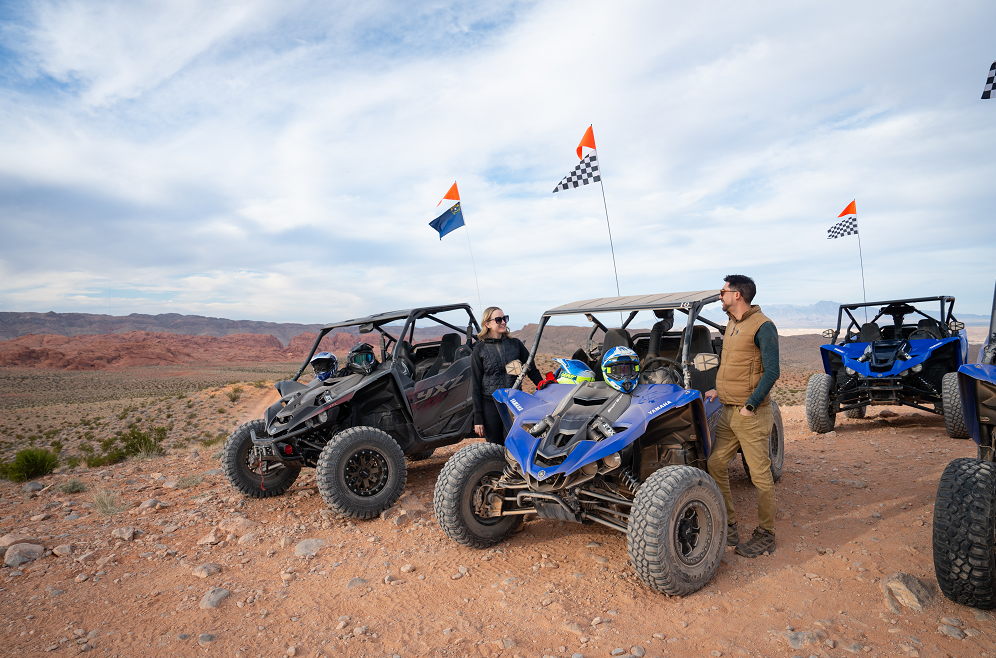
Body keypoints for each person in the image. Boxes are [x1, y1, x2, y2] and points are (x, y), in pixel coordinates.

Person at [704, 274, 780, 558]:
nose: (720, 295)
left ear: (737, 295)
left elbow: (772, 372)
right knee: (715, 463)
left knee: (761, 477)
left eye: (722, 291)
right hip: (728, 410)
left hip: (751, 414)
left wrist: (750, 405)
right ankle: (730, 524)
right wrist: (718, 388)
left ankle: (767, 534)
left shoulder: (763, 326)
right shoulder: (733, 324)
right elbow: (735, 366)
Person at [471, 307, 545, 444]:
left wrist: (544, 386)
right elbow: (475, 384)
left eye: (505, 318)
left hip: (515, 403)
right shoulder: (479, 349)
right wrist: (478, 418)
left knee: (517, 443)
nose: (503, 322)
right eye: (498, 320)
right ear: (488, 324)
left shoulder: (515, 344)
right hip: (491, 405)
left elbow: (531, 370)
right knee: (495, 446)